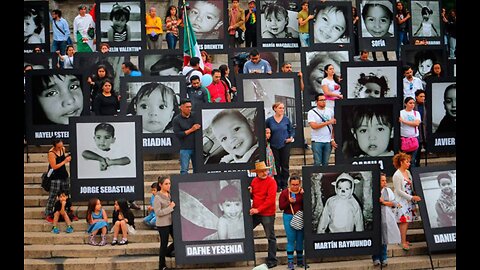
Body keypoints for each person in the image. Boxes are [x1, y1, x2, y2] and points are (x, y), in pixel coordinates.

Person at [249, 161, 278, 269]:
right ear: (257, 172)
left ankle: (272, 260)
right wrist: (251, 192)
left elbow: (270, 200)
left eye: (265, 170)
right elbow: (254, 196)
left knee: (270, 237)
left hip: (267, 213)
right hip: (257, 212)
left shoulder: (271, 182)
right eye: (261, 171)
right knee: (246, 231)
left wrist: (258, 209)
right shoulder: (254, 181)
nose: (264, 172)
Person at [392, 152, 422, 251]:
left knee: (407, 221)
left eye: (409, 161)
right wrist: (411, 197)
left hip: (409, 201)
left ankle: (403, 240)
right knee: (403, 222)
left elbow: (411, 185)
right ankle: (402, 241)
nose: (409, 163)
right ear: (401, 162)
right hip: (401, 202)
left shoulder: (408, 173)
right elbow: (399, 191)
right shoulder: (397, 175)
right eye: (407, 161)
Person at [372, 173, 401, 267]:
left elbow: (394, 203)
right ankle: (376, 258)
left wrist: (383, 202)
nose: (385, 182)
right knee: (376, 238)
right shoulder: (372, 190)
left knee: (384, 238)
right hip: (375, 218)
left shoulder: (388, 190)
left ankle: (384, 258)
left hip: (385, 217)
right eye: (382, 180)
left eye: (385, 180)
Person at [278, 174, 306, 270]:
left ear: (300, 184)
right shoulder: (285, 193)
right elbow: (281, 207)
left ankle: (300, 261)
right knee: (291, 239)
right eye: (293, 184)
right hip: (288, 217)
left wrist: (304, 195)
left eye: (297, 184)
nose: (295, 186)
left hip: (300, 217)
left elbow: (307, 204)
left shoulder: (302, 192)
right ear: (289, 183)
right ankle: (290, 262)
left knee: (300, 239)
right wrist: (289, 201)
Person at [266, 102, 295, 191]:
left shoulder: (286, 119)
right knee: (276, 165)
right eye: (280, 108)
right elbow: (266, 131)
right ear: (275, 109)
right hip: (274, 146)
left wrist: (291, 138)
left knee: (285, 165)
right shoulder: (269, 120)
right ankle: (277, 185)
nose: (282, 110)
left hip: (285, 145)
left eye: (283, 108)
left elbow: (292, 130)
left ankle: (284, 184)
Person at [44, 138, 71, 218]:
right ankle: (48, 212)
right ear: (54, 146)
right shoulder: (51, 153)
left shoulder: (63, 149)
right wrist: (65, 161)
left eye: (61, 146)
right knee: (53, 195)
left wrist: (66, 158)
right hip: (55, 176)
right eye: (58, 147)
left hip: (64, 174)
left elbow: (62, 158)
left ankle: (67, 209)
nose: (60, 148)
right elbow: (54, 166)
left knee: (66, 193)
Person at [173, 99, 201, 174]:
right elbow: (178, 134)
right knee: (184, 170)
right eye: (187, 107)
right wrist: (192, 129)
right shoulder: (176, 119)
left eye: (190, 107)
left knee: (198, 169)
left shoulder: (196, 116)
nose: (189, 109)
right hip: (185, 147)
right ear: (181, 107)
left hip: (197, 147)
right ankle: (184, 185)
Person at [308, 93, 336, 166]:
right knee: (317, 162)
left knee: (326, 162)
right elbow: (314, 126)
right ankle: (317, 176)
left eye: (324, 100)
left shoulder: (330, 111)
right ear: (316, 102)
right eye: (321, 100)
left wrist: (332, 139)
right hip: (317, 140)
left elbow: (333, 126)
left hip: (328, 140)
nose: (324, 101)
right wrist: (328, 122)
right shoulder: (312, 112)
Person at [154, 175, 175, 270]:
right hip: (163, 224)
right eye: (166, 184)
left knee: (177, 240)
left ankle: (167, 252)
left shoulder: (169, 194)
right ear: (160, 185)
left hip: (171, 222)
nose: (168, 185)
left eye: (169, 183)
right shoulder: (157, 197)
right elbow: (158, 212)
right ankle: (161, 265)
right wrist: (170, 208)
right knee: (164, 243)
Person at [400, 97, 421, 166]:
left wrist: (404, 121)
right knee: (404, 159)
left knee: (412, 159)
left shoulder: (416, 113)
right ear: (405, 104)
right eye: (410, 103)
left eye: (413, 103)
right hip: (405, 138)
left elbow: (416, 123)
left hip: (414, 138)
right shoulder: (401, 113)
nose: (412, 105)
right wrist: (411, 123)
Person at [413, 89, 426, 167]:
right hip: (416, 131)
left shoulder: (426, 106)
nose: (423, 98)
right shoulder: (413, 106)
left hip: (424, 131)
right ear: (416, 97)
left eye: (424, 96)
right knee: (416, 153)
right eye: (421, 96)